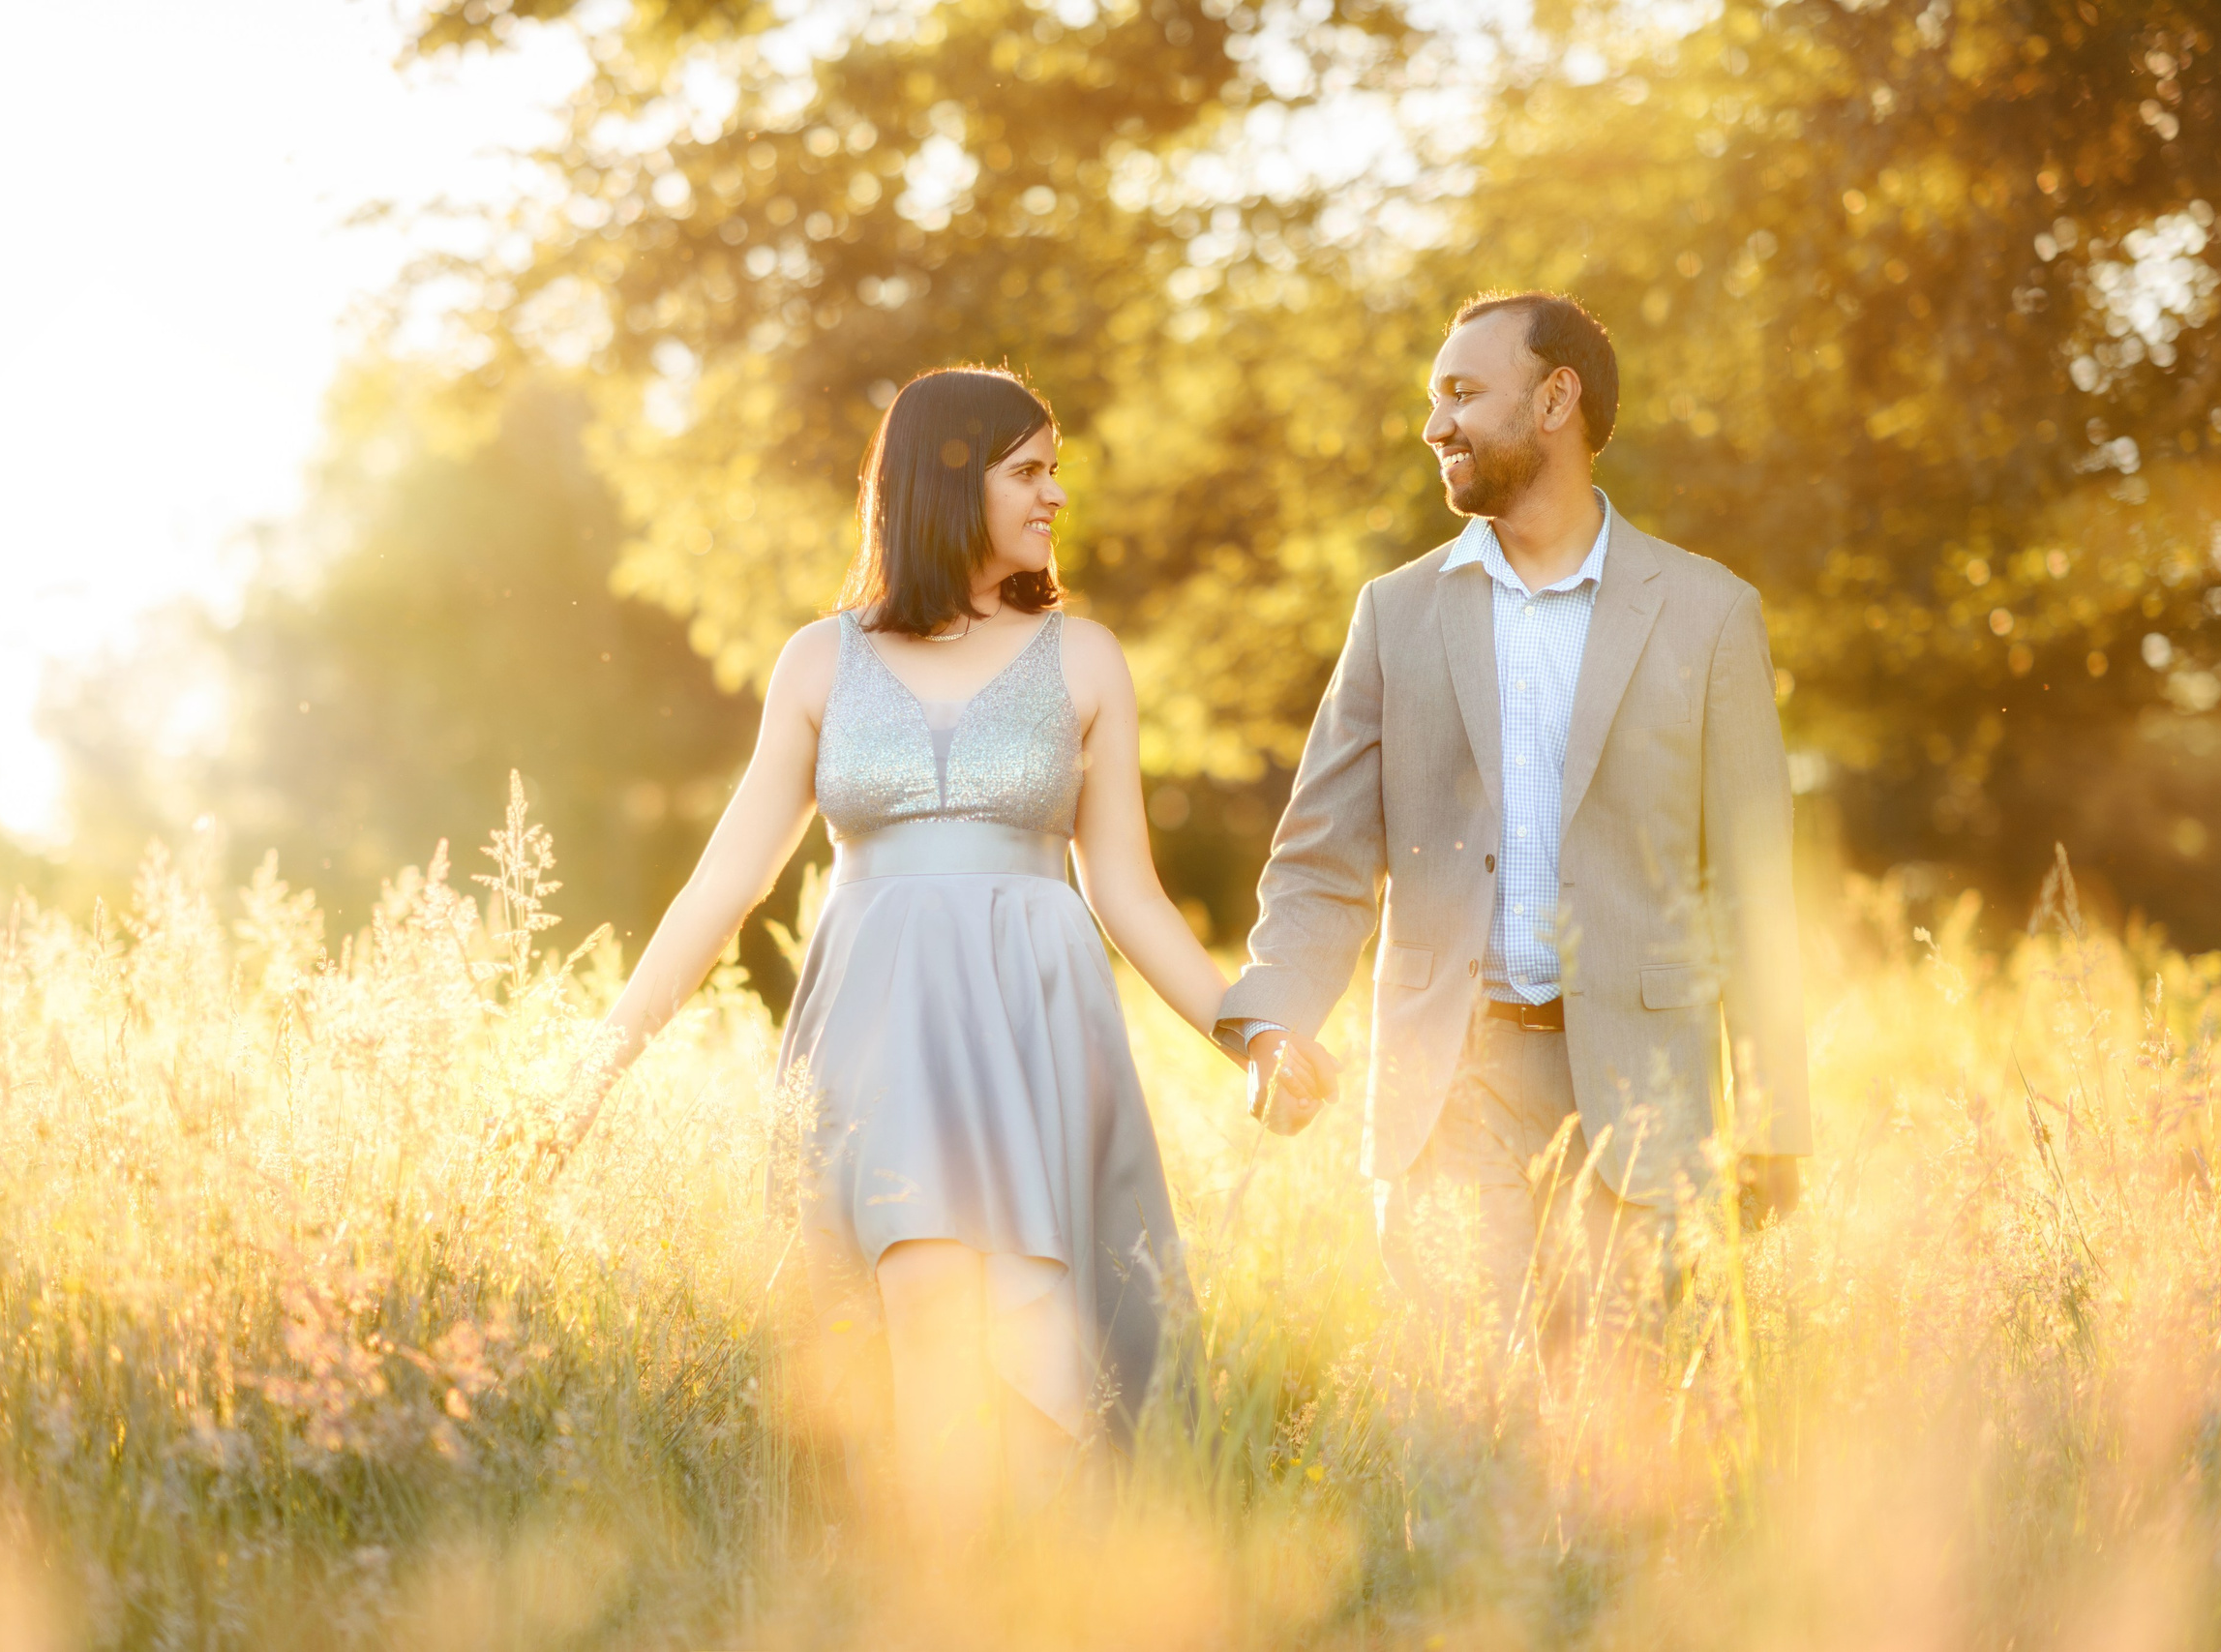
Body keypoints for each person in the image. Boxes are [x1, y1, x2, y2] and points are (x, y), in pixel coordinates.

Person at [563, 367, 1334, 1539]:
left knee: (1031, 1353)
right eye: (1029, 469)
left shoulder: (1084, 661)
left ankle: (1022, 1589)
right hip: (875, 1024)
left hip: (1033, 1024)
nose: (1056, 494)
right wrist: (591, 1067)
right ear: (946, 476)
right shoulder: (817, 662)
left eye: (1052, 467)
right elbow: (728, 877)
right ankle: (933, 1582)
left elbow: (1124, 888)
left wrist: (1251, 1032)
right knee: (918, 1299)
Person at [1216, 291, 1811, 1364]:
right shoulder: (1394, 615)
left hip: (1643, 1096)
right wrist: (1272, 1019)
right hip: (1453, 1084)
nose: (1433, 426)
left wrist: (1772, 1123)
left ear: (1554, 399)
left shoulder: (1708, 613)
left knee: (1624, 1441)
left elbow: (1755, 892)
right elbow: (1323, 860)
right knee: (1470, 1429)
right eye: (1431, 400)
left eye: (1460, 393)